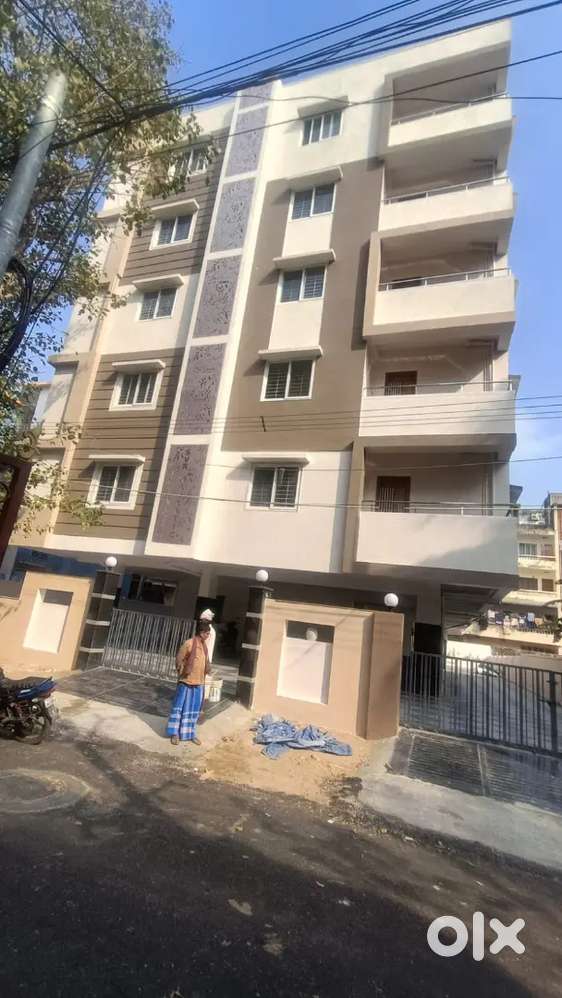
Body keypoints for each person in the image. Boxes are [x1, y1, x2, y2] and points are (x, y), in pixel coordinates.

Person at [167, 620, 212, 746]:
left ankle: (189, 734)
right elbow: (179, 659)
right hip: (186, 682)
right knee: (179, 708)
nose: (208, 635)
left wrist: (208, 668)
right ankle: (174, 734)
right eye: (207, 633)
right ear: (201, 632)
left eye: (208, 633)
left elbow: (206, 661)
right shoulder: (189, 643)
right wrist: (183, 672)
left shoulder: (204, 646)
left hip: (198, 683)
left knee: (193, 710)